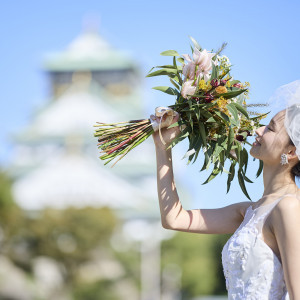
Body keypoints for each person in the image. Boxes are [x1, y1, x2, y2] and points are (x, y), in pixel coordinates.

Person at [151, 97, 300, 299]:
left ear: (291, 152)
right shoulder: (248, 212)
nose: (258, 130)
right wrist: (163, 147)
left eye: (270, 129)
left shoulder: (289, 207)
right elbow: (174, 219)